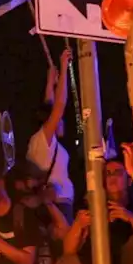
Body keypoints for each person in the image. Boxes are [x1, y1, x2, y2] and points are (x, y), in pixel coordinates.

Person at [27, 48, 75, 220]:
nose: (61, 122)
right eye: (58, 120)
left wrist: (50, 83)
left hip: (59, 202)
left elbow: (50, 106)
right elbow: (58, 106)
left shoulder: (42, 140)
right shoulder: (43, 139)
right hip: (58, 206)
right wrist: (64, 67)